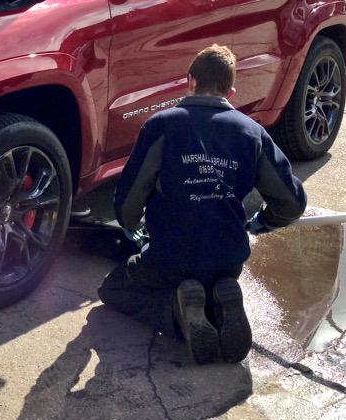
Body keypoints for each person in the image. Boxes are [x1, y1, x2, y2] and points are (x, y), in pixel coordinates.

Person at [100, 45, 306, 364]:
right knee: (209, 282)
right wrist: (262, 222)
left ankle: (178, 313)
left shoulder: (161, 125)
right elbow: (291, 202)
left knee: (113, 291)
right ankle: (217, 300)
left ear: (190, 81)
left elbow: (129, 201)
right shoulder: (252, 132)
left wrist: (131, 226)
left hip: (169, 257)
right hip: (228, 260)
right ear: (232, 91)